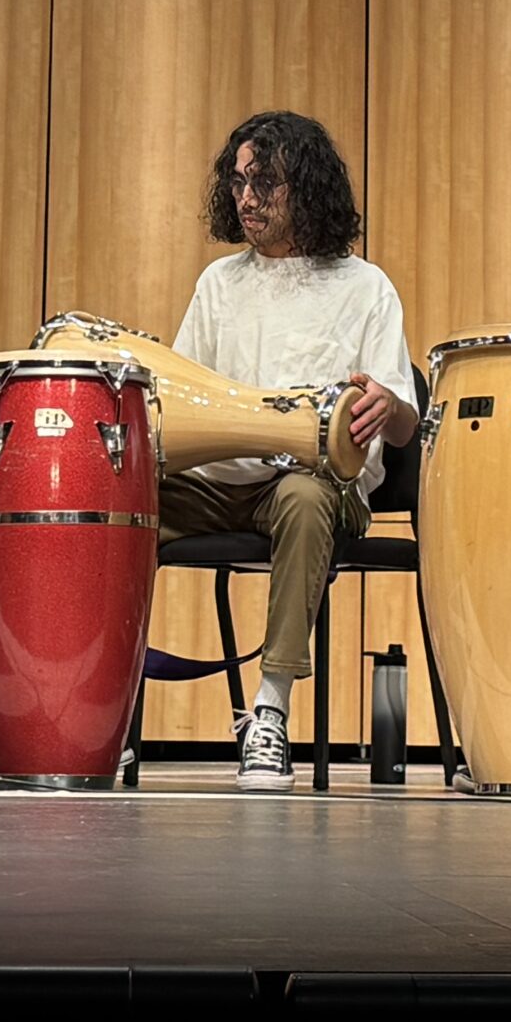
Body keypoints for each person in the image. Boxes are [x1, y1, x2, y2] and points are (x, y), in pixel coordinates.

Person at [166, 112, 419, 790]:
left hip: (315, 488)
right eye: (239, 181)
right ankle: (99, 699)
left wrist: (387, 408)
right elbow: (179, 397)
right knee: (116, 496)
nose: (246, 198)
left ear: (305, 188)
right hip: (218, 487)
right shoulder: (218, 284)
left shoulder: (366, 287)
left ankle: (270, 713)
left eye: (265, 183)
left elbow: (400, 422)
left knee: (304, 495)